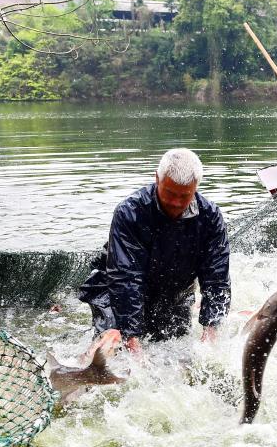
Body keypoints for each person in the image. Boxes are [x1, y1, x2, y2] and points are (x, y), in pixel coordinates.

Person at [79, 148, 231, 354]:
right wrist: (132, 340)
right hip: (116, 291)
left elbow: (217, 277)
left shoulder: (210, 217)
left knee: (173, 350)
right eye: (169, 193)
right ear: (157, 178)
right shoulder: (129, 212)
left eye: (184, 196)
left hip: (174, 292)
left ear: (195, 188)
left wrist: (210, 329)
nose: (176, 203)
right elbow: (125, 278)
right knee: (114, 350)